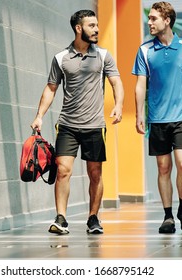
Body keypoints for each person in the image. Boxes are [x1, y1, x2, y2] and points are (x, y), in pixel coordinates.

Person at [31, 10, 124, 235]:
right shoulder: (61, 58)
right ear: (78, 28)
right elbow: (51, 88)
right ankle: (61, 218)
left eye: (97, 25)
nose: (97, 29)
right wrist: (39, 115)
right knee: (62, 170)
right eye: (91, 25)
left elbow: (116, 81)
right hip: (67, 125)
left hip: (94, 125)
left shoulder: (103, 55)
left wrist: (119, 104)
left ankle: (93, 218)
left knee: (95, 173)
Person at [132, 2, 182, 234]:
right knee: (163, 167)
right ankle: (168, 216)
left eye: (154, 18)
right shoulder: (145, 50)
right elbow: (140, 85)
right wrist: (139, 114)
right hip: (157, 119)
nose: (149, 22)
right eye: (149, 18)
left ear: (167, 20)